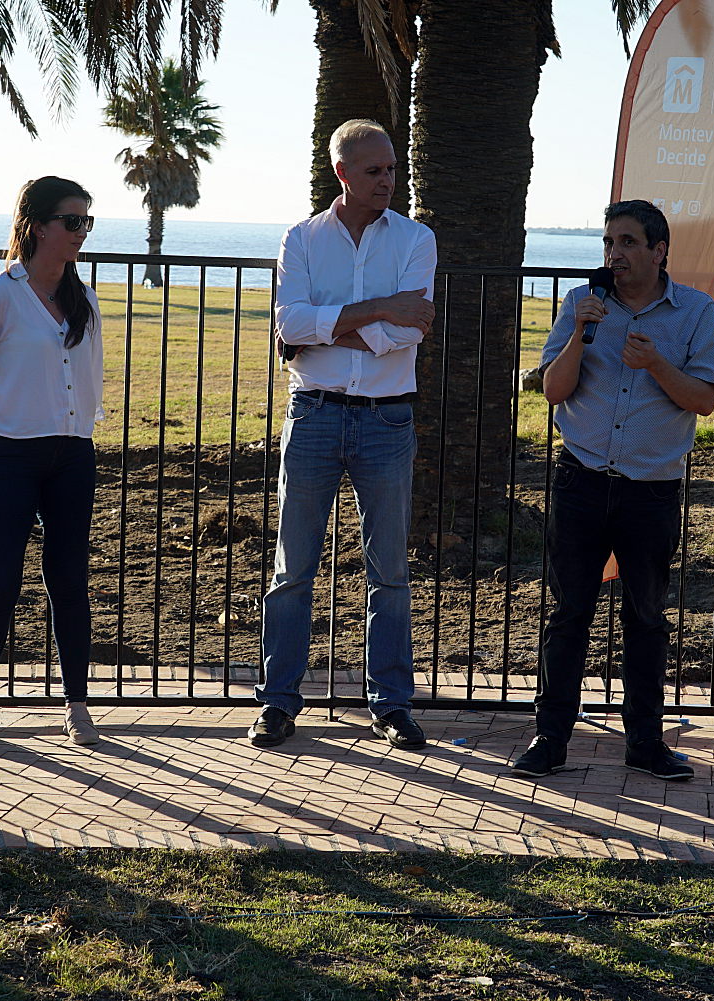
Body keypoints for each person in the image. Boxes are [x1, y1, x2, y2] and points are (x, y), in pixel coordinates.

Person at [513, 200, 714, 782]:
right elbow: (554, 392)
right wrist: (581, 336)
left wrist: (657, 364)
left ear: (660, 252)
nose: (616, 254)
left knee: (646, 617)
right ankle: (550, 738)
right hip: (581, 479)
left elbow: (704, 401)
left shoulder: (695, 314)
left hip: (650, 489)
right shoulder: (583, 308)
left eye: (629, 242)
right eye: (610, 243)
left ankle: (646, 744)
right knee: (568, 614)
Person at [250, 119, 436, 750]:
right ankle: (278, 702)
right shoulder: (302, 239)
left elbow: (411, 331)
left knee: (389, 570)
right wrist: (380, 309)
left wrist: (328, 328)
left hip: (388, 418)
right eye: (374, 171)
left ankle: (391, 704)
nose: (388, 180)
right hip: (315, 414)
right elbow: (288, 320)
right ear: (342, 174)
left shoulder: (417, 239)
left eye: (391, 169)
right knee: (292, 566)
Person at [0, 177, 104, 749]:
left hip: (71, 452)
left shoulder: (82, 300)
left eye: (87, 222)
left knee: (69, 578)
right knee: (0, 580)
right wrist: (5, 428)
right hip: (7, 452)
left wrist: (75, 430)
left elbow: (89, 380)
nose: (80, 233)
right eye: (71, 221)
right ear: (37, 226)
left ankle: (78, 706)